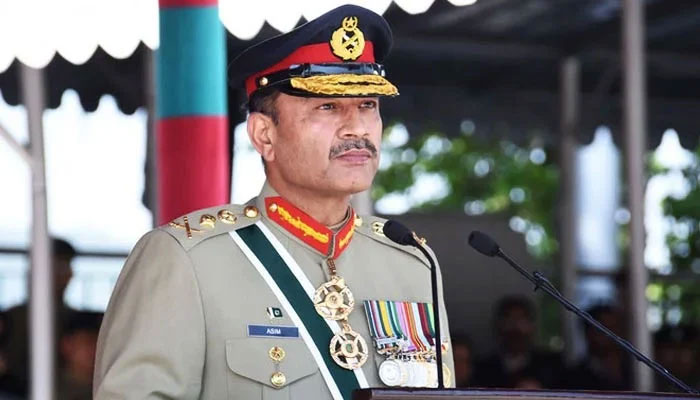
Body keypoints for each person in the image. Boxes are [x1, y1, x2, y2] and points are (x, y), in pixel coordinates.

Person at [93, 5, 455, 399]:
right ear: (264, 134)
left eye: (368, 105)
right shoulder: (186, 259)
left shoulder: (412, 264)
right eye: (328, 107)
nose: (356, 128)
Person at [0, 238, 78, 397]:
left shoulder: (75, 318)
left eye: (67, 267)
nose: (69, 275)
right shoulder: (16, 318)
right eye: (61, 267)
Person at [472, 295, 563, 389]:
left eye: (522, 320)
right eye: (509, 320)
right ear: (498, 327)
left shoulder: (551, 366)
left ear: (533, 326)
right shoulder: (483, 369)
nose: (516, 327)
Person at [566, 304, 632, 391]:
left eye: (617, 327)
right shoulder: (574, 378)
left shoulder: (639, 370)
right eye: (607, 329)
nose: (616, 335)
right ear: (589, 334)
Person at [56, 312, 103, 400]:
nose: (96, 350)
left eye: (100, 343)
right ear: (67, 345)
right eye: (89, 341)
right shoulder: (48, 389)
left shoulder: (108, 385)